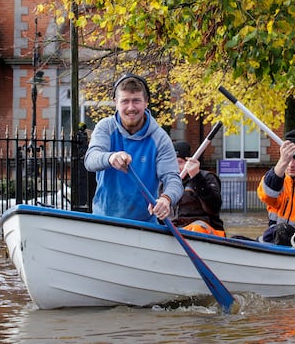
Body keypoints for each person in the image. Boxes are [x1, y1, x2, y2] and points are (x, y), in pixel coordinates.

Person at [84, 74, 183, 223]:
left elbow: (173, 179)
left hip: (144, 225)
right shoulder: (105, 127)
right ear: (116, 103)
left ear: (146, 103)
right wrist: (110, 158)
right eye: (125, 101)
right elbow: (90, 160)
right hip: (103, 220)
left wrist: (166, 198)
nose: (131, 108)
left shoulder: (160, 138)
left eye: (136, 101)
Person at [171, 140, 226, 237]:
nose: (176, 167)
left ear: (189, 162)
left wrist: (196, 177)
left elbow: (214, 208)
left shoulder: (207, 178)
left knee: (197, 228)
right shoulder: (165, 183)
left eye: (180, 162)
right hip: (176, 231)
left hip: (205, 231)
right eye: (172, 163)